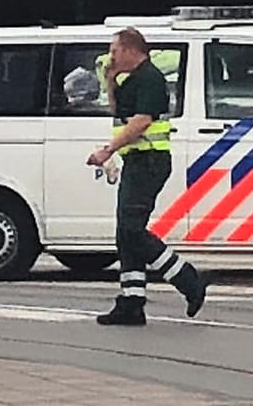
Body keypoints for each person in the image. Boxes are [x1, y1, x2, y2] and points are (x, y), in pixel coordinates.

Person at [86, 27, 207, 326]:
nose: (110, 57)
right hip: (137, 160)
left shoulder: (150, 78)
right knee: (125, 233)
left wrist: (107, 151)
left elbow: (140, 122)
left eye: (114, 51)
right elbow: (118, 113)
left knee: (131, 230)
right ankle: (131, 301)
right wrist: (110, 80)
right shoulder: (130, 80)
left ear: (130, 50)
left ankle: (187, 279)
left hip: (149, 160)